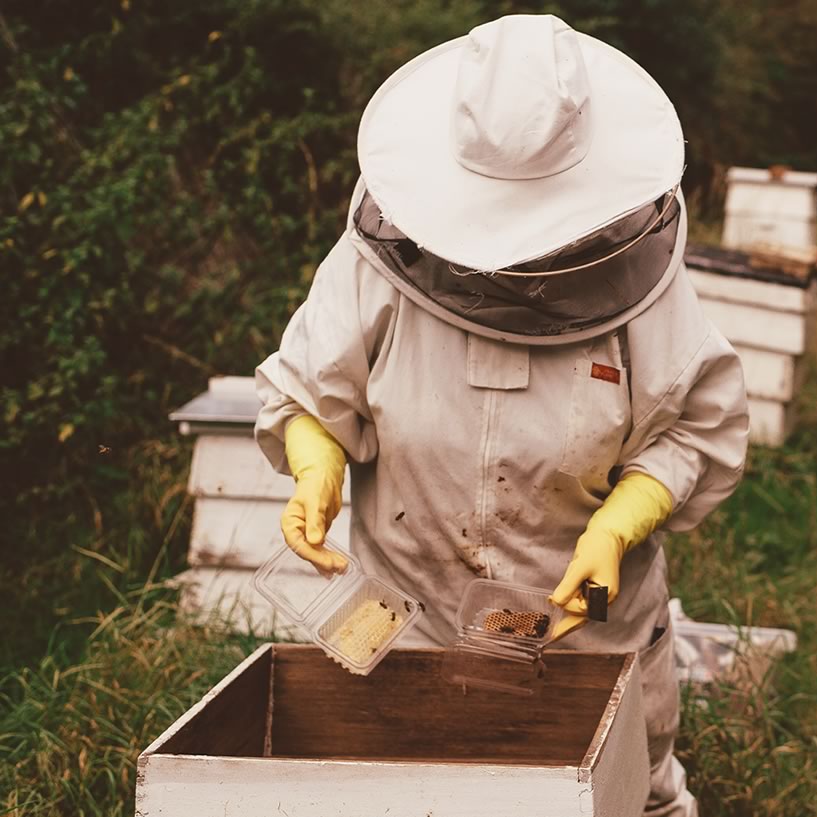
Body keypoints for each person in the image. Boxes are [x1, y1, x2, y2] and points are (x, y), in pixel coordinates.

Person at [253, 13, 749, 817]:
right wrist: (317, 463)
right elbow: (311, 389)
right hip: (401, 623)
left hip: (586, 632)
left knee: (623, 798)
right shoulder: (373, 269)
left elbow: (692, 426)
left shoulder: (643, 292)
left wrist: (619, 524)